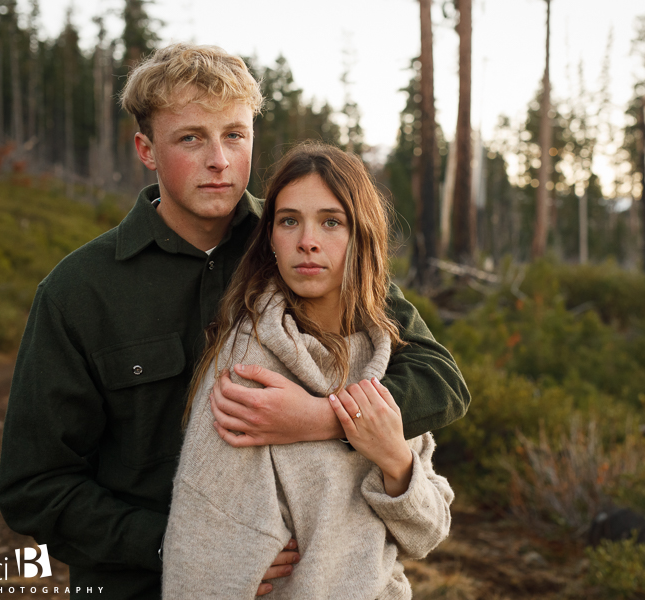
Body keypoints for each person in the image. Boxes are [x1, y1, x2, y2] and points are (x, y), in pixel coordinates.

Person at [0, 43, 469, 600]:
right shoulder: (80, 291)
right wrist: (193, 543)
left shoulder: (299, 244)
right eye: (191, 138)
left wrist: (322, 418)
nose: (218, 159)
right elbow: (35, 487)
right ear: (146, 149)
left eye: (235, 135)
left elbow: (440, 381)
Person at [162, 143, 453, 599]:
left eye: (331, 222)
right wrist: (230, 567)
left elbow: (427, 534)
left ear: (363, 236)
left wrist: (393, 457)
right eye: (289, 220)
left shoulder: (391, 361)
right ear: (271, 238)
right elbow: (206, 534)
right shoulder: (249, 369)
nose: (307, 241)